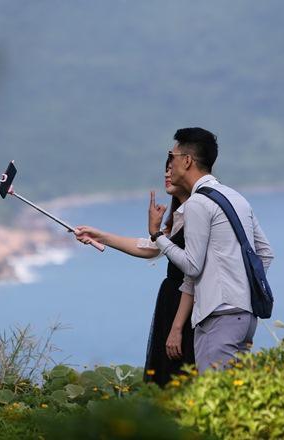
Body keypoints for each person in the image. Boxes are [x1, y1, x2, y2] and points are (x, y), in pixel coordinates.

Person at [148, 127, 274, 373]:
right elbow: (265, 252)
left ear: (187, 161)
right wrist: (240, 287)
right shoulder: (235, 197)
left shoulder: (198, 203)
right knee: (236, 392)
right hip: (245, 316)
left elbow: (192, 266)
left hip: (219, 316)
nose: (169, 165)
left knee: (216, 398)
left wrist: (157, 236)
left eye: (172, 157)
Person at [75, 161, 195, 386]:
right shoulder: (179, 213)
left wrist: (155, 232)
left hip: (186, 300)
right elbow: (152, 248)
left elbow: (187, 268)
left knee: (182, 371)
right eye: (165, 169)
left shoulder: (197, 211)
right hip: (173, 299)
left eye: (172, 168)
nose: (167, 174)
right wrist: (100, 236)